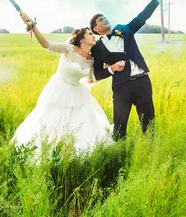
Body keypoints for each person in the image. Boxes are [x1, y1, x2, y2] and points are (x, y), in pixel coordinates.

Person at [12, 15, 122, 152]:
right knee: (53, 121)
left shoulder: (91, 59)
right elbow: (47, 44)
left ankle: (76, 149)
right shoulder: (69, 49)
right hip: (59, 89)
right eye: (90, 34)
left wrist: (112, 68)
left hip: (78, 92)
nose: (94, 36)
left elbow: (91, 79)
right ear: (82, 40)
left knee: (82, 123)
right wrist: (33, 27)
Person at [89, 0, 167, 140]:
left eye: (105, 17)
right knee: (119, 127)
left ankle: (149, 152)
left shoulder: (125, 29)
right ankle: (119, 156)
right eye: (101, 19)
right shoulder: (96, 48)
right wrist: (111, 68)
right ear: (96, 28)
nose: (105, 19)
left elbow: (143, 16)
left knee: (149, 123)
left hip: (142, 81)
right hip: (121, 86)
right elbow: (97, 74)